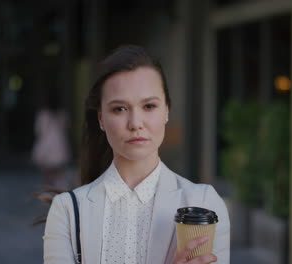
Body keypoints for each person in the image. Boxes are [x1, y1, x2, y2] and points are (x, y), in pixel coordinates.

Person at [43, 45, 230, 264]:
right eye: (119, 109)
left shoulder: (203, 204)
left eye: (149, 106)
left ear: (166, 110)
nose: (135, 123)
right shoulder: (67, 210)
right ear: (101, 119)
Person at [31, 90, 71, 188]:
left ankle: (48, 189)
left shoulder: (43, 114)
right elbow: (66, 128)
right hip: (59, 144)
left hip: (46, 145)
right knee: (58, 170)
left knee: (47, 171)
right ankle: (59, 188)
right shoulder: (62, 114)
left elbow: (39, 130)